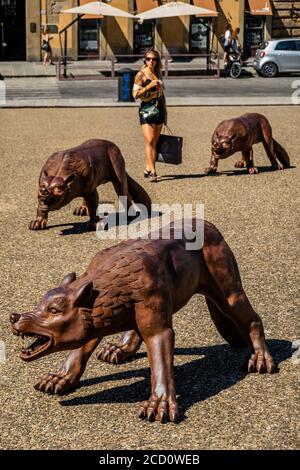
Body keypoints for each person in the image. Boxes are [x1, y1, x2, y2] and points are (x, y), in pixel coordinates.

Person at [132, 49, 167, 183]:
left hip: (159, 109)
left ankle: (147, 168)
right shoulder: (141, 75)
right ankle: (153, 172)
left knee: (155, 143)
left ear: (158, 61)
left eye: (154, 59)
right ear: (145, 60)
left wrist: (166, 114)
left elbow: (162, 95)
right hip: (146, 110)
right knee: (150, 141)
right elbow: (134, 95)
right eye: (148, 59)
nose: (151, 61)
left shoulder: (158, 73)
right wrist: (149, 86)